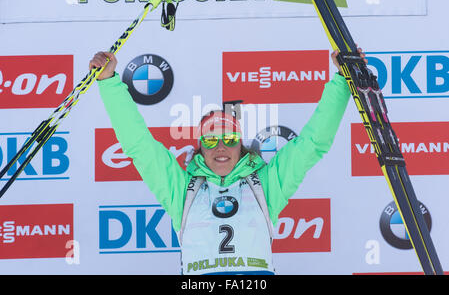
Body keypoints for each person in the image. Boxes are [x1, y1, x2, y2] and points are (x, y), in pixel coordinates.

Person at [90, 48, 367, 275]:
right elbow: (139, 145)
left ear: (241, 144)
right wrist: (109, 81)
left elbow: (312, 144)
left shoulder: (266, 184)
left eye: (230, 139)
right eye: (210, 141)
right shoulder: (182, 190)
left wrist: (343, 82)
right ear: (200, 147)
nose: (220, 148)